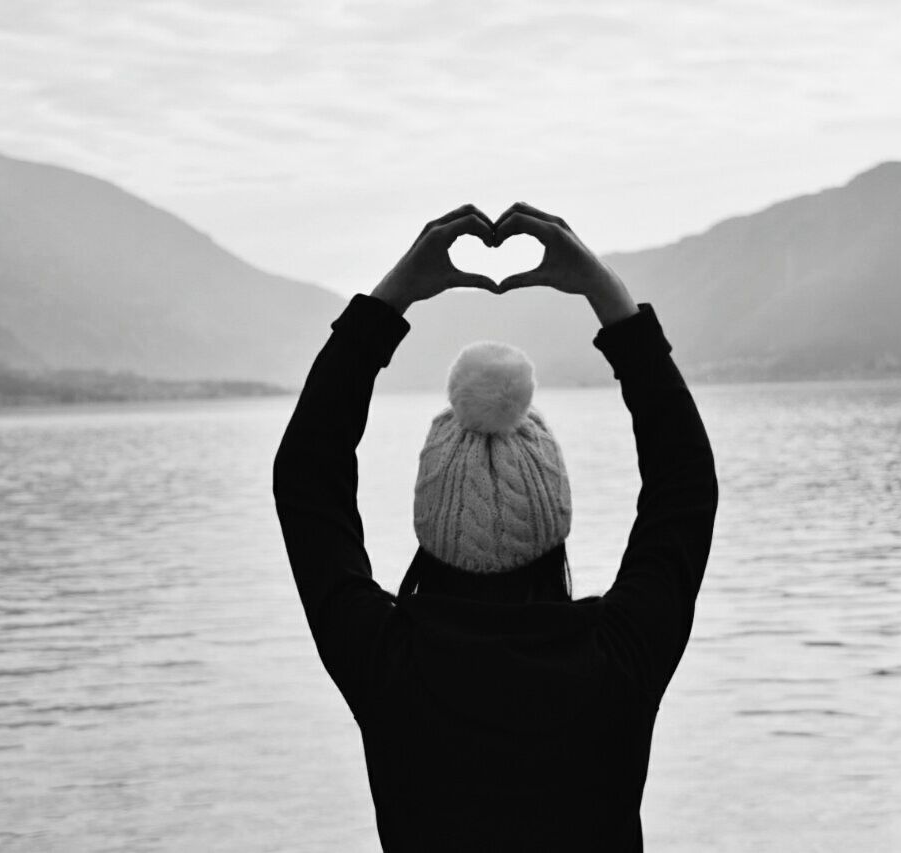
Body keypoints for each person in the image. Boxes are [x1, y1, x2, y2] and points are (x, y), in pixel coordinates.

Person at [273, 201, 719, 852]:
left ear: (432, 532)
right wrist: (607, 296)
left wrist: (391, 299)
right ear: (552, 531)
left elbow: (307, 478)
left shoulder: (388, 663)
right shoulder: (618, 658)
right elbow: (685, 484)